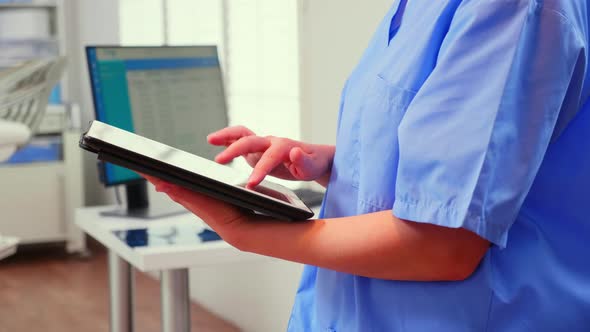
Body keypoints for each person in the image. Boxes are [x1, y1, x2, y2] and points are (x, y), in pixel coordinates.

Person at [144, 1, 590, 331]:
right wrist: (329, 161)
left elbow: (443, 244)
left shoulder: (512, 8)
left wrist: (248, 231)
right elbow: (468, 157)